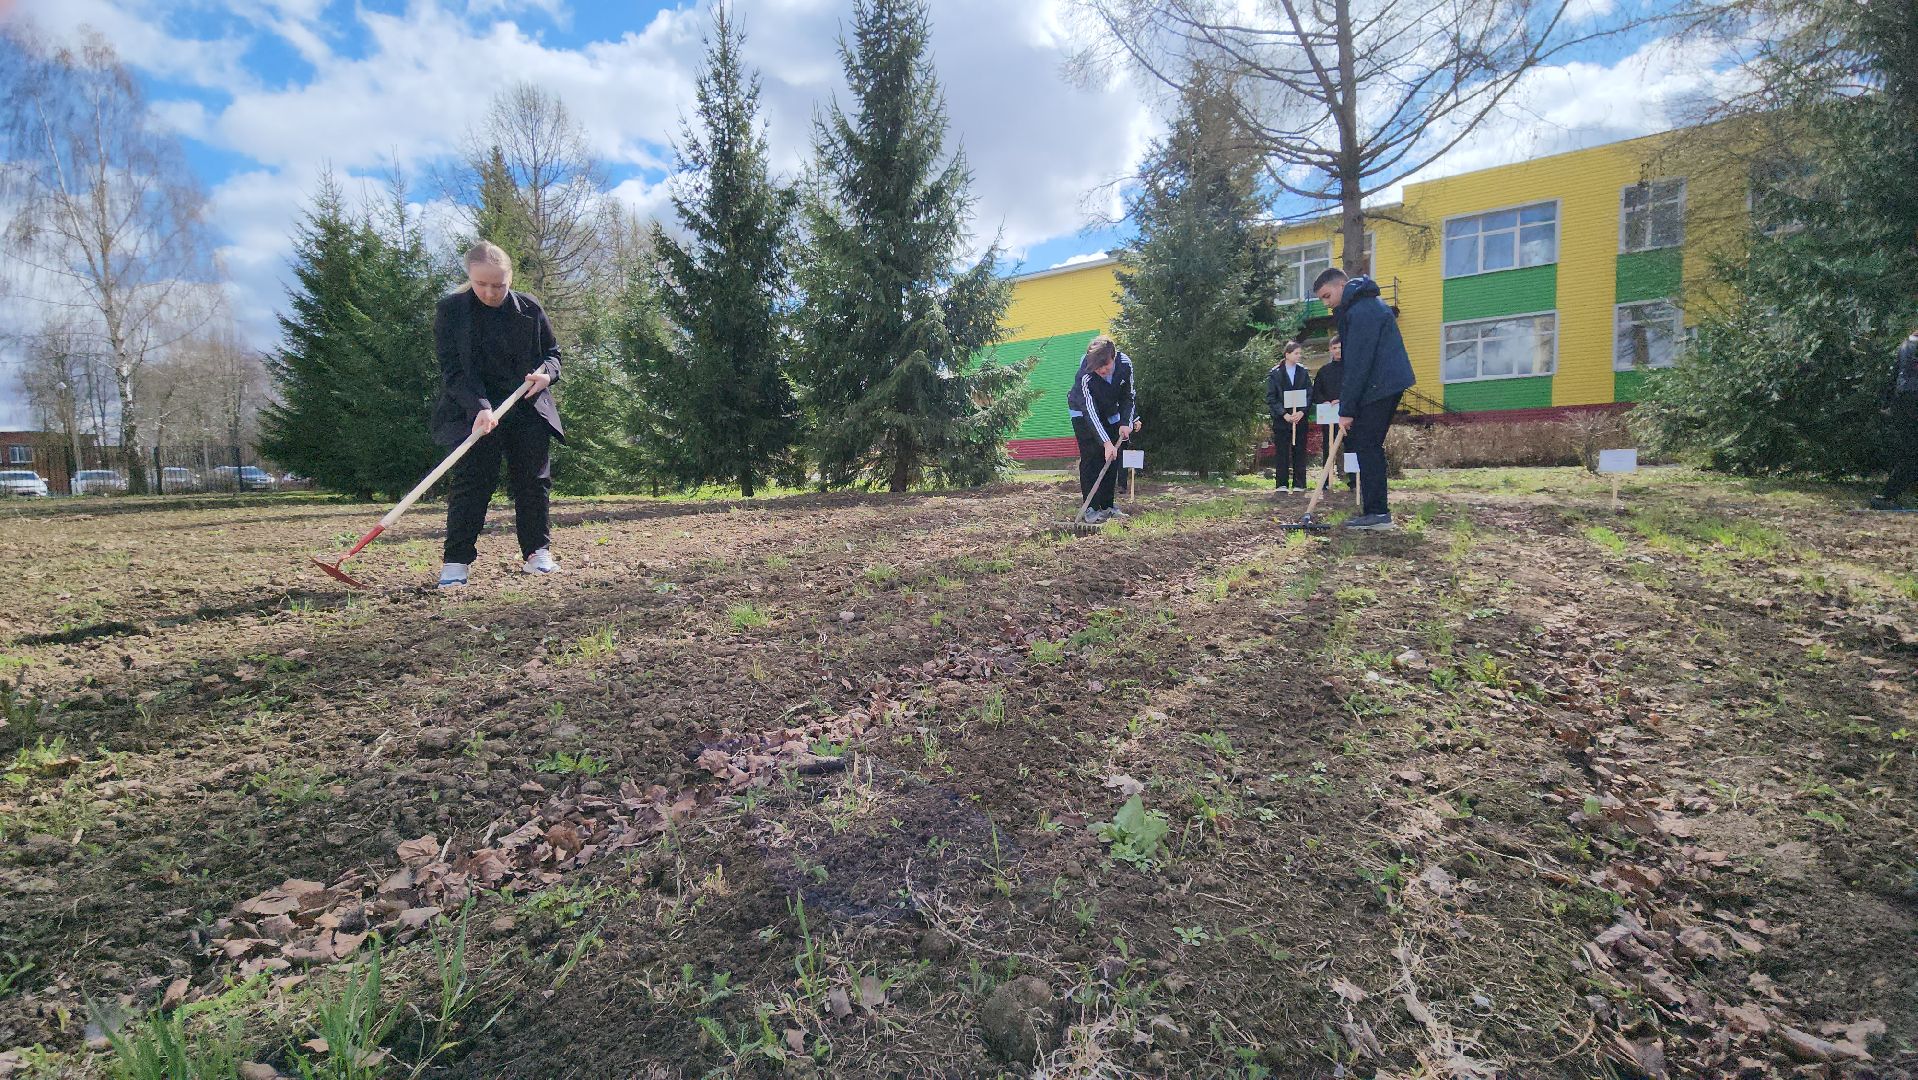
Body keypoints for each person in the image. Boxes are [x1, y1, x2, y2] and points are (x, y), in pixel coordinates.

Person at [430, 241, 565, 588]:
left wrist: (547, 374)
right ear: (469, 278)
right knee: (472, 483)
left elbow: (553, 354)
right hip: (471, 409)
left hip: (526, 406)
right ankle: (456, 562)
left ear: (510, 279)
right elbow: (453, 371)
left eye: (499, 285)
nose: (490, 292)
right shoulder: (451, 312)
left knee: (533, 483)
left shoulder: (530, 309)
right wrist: (480, 407)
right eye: (481, 284)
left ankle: (537, 553)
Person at [1313, 267, 1414, 530]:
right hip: (1381, 384)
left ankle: (1378, 513)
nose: (1327, 304)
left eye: (1327, 296)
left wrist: (1347, 409)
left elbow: (1358, 363)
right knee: (1364, 443)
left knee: (1367, 445)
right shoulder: (1363, 306)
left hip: (1380, 385)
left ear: (1341, 285)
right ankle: (1374, 510)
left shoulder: (1362, 311)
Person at [1065, 335, 1140, 524]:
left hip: (1110, 411)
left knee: (1111, 458)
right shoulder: (1086, 371)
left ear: (1113, 357)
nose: (1101, 371)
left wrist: (1126, 422)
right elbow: (1089, 410)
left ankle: (1107, 506)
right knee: (1092, 456)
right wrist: (1106, 442)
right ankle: (1090, 508)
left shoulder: (1125, 364)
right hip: (1082, 413)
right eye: (1097, 368)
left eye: (1105, 366)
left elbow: (1128, 396)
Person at [1872, 327, 1918, 511]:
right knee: (1913, 454)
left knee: (1911, 451)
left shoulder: (1905, 345)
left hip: (1902, 401)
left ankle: (1886, 495)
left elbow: (1893, 377)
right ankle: (1885, 496)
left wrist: (1886, 404)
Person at [1265, 340, 1312, 491]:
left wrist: (1302, 412)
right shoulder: (1275, 373)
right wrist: (1283, 414)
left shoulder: (1303, 372)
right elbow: (1271, 397)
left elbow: (1309, 395)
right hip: (1282, 420)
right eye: (1296, 353)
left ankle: (1299, 483)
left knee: (1299, 450)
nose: (1299, 356)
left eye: (1300, 353)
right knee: (1282, 451)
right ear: (1287, 354)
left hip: (1299, 419)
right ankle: (1282, 484)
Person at [1311, 334, 1355, 489]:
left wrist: (1341, 399)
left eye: (1340, 348)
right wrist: (1324, 401)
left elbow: (1355, 388)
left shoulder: (1352, 368)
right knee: (1328, 448)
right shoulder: (1324, 371)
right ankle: (1326, 480)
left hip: (1348, 414)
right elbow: (1316, 391)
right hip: (1329, 416)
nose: (1338, 351)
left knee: (1351, 448)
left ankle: (1354, 481)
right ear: (1330, 350)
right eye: (1335, 348)